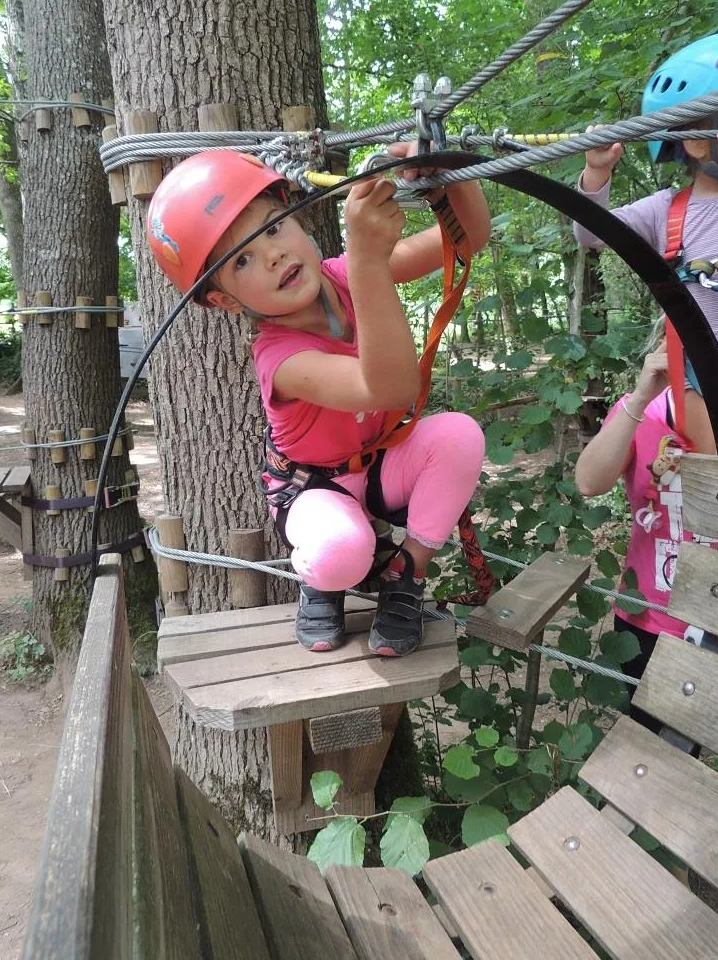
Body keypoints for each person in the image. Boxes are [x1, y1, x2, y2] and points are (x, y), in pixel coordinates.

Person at [146, 144, 491, 657]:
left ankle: (406, 572)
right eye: (242, 260)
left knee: (460, 434)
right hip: (313, 488)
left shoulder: (342, 274)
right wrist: (369, 260)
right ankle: (321, 582)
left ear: (296, 218)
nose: (273, 254)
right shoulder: (280, 359)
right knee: (341, 553)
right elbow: (391, 388)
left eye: (272, 227)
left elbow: (466, 240)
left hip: (380, 462)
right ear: (225, 300)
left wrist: (448, 173)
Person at [573, 31, 718, 453]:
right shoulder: (667, 209)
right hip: (698, 380)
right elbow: (591, 233)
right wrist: (596, 174)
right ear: (695, 142)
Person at [574, 340, 718, 730]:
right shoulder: (643, 411)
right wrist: (641, 396)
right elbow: (588, 482)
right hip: (652, 620)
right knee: (652, 749)